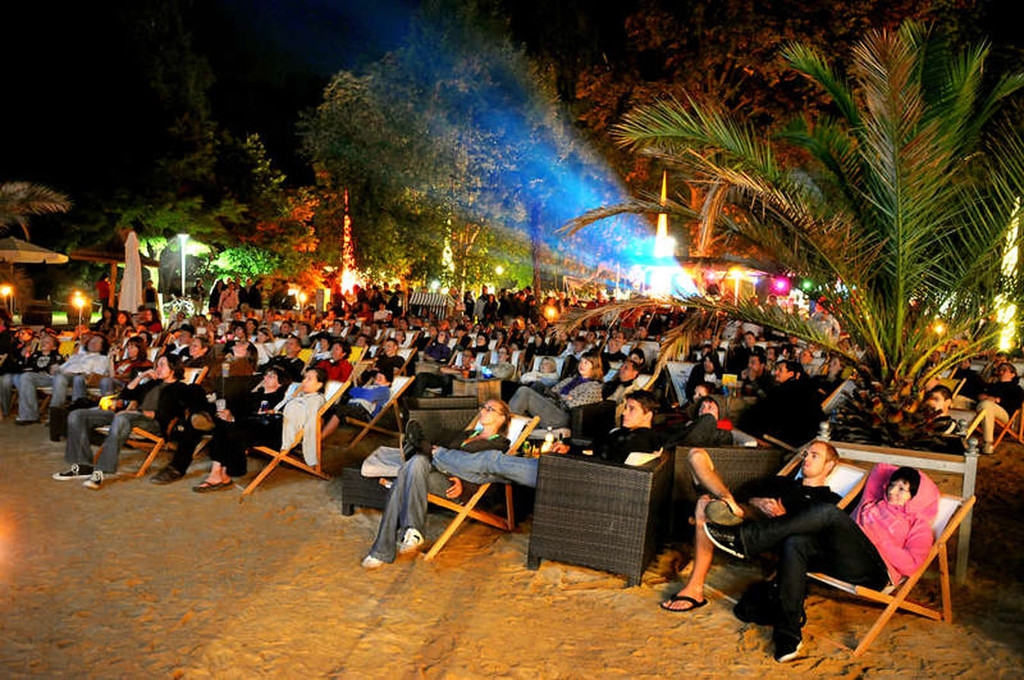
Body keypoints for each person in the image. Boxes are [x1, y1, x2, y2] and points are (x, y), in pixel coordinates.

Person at [704, 463, 938, 662]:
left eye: (904, 490)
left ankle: (746, 540)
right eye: (894, 485)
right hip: (845, 560)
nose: (895, 492)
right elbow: (880, 470)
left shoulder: (917, 524)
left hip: (875, 572)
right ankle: (788, 633)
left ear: (914, 497)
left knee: (828, 512)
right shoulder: (870, 504)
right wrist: (896, 479)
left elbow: (912, 565)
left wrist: (879, 540)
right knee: (795, 543)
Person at [661, 440, 841, 617]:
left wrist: (785, 517)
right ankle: (728, 503)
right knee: (696, 454)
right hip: (745, 511)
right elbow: (747, 491)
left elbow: (815, 533)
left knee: (703, 504)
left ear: (829, 465)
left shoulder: (829, 500)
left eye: (814, 456)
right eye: (805, 454)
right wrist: (759, 502)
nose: (806, 459)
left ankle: (694, 589)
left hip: (765, 530)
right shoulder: (783, 482)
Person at [361, 399, 514, 568]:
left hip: (456, 485)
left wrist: (464, 484)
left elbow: (489, 471)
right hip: (438, 469)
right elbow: (444, 449)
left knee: (404, 477)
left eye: (490, 409)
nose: (484, 410)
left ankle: (382, 550)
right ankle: (412, 532)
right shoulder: (468, 434)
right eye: (483, 407)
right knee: (414, 466)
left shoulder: (499, 444)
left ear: (501, 418)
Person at [51, 355, 203, 490]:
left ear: (173, 368)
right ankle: (83, 464)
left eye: (162, 364)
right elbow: (126, 394)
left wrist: (138, 412)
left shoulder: (181, 388)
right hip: (129, 416)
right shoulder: (152, 384)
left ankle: (101, 471)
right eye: (157, 365)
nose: (157, 368)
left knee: (122, 418)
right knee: (77, 415)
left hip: (152, 423)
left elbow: (168, 414)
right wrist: (141, 376)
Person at [192, 367, 327, 492]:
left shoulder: (316, 400)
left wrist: (309, 450)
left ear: (319, 385)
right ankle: (218, 473)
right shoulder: (298, 396)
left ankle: (225, 473)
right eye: (305, 377)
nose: (304, 381)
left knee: (230, 430)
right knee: (224, 426)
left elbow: (310, 425)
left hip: (277, 433)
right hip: (266, 425)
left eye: (309, 379)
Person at [16, 333, 109, 424]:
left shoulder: (102, 359)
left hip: (76, 378)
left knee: (60, 378)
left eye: (97, 341)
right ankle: (29, 415)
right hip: (57, 376)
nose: (93, 342)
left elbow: (96, 376)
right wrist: (55, 369)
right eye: (92, 340)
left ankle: (55, 415)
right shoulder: (77, 356)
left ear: (102, 347)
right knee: (26, 377)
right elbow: (64, 367)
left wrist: (78, 374)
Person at [508, 354, 604, 429]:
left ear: (594, 366)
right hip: (552, 405)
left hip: (562, 416)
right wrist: (565, 397)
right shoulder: (570, 379)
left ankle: (505, 424)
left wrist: (560, 397)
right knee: (536, 385)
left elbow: (574, 405)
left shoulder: (594, 387)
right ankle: (509, 420)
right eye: (581, 362)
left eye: (586, 362)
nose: (581, 365)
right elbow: (553, 391)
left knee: (524, 392)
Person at [1, 333, 63, 418]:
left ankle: (30, 414)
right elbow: (24, 366)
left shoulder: (56, 356)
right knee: (9, 378)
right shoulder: (35, 355)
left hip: (47, 378)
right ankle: (10, 411)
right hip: (31, 376)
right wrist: (23, 356)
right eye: (43, 342)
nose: (44, 343)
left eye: (47, 342)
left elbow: (58, 369)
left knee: (25, 378)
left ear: (54, 347)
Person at [321, 368, 392, 441]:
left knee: (341, 410)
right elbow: (352, 391)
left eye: (380, 378)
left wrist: (360, 392)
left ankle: (320, 438)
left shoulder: (385, 390)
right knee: (329, 409)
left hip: (364, 413)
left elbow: (365, 394)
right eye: (376, 377)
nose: (376, 380)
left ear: (388, 382)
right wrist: (361, 392)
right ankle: (316, 433)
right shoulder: (371, 387)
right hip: (353, 407)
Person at [974, 361, 1023, 453]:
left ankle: (988, 443)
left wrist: (997, 400)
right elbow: (980, 394)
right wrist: (981, 396)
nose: (1001, 372)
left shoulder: (1016, 389)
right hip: (983, 409)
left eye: (1004, 370)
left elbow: (1016, 404)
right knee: (960, 400)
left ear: (1013, 374)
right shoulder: (993, 386)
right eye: (1000, 370)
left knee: (986, 405)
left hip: (1004, 415)